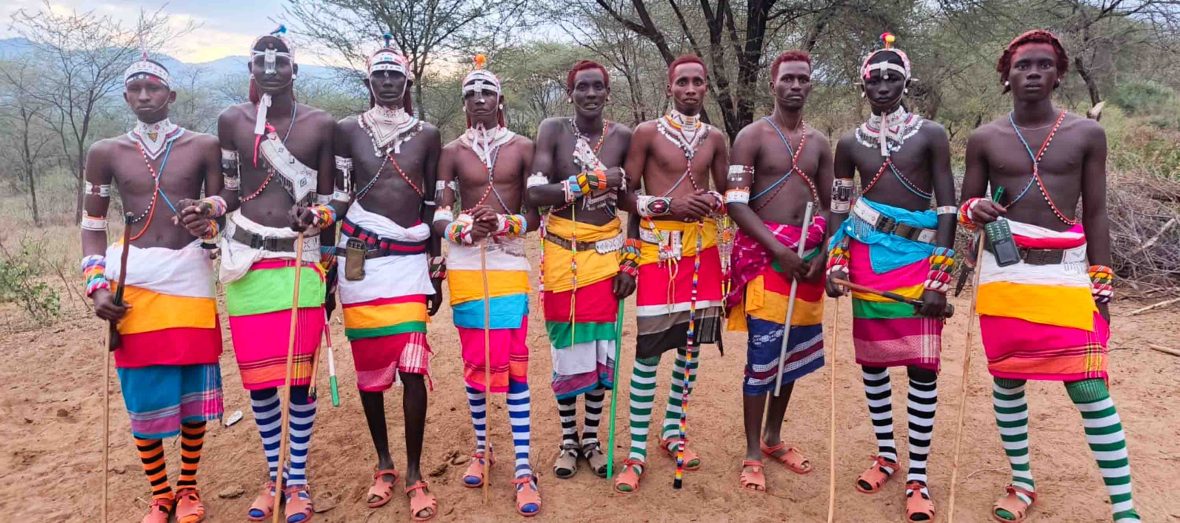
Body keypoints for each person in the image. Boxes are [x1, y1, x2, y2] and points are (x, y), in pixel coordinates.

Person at [959, 29, 1139, 523]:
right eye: (1022, 66)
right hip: (1005, 276)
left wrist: (1102, 284)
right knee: (1009, 381)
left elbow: (1097, 212)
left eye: (1042, 65)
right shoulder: (985, 138)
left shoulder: (1085, 133)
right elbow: (964, 210)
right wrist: (977, 208)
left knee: (1089, 386)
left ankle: (1124, 507)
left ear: (1059, 74)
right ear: (1006, 76)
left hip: (1066, 275)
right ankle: (1022, 484)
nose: (1032, 73)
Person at [184, 26, 336, 523]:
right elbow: (229, 190)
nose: (270, 70)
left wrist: (318, 216)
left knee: (299, 379)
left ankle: (299, 481)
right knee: (260, 382)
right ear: (250, 70)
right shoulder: (232, 120)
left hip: (299, 262)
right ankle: (275, 476)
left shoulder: (321, 124)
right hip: (247, 262)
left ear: (296, 68)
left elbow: (335, 197)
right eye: (260, 62)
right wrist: (209, 206)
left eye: (280, 61)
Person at [81, 52, 224, 523]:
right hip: (134, 281)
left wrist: (206, 212)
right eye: (136, 89)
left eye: (154, 88)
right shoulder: (107, 152)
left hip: (191, 278)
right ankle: (159, 494)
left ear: (171, 95)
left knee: (191, 393)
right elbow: (92, 224)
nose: (145, 96)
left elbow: (225, 200)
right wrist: (97, 285)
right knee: (143, 394)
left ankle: (188, 488)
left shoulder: (203, 145)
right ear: (125, 96)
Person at [826, 33, 956, 522]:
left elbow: (946, 207)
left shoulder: (931, 134)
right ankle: (887, 454)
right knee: (874, 365)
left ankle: (918, 476)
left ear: (906, 82)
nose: (883, 86)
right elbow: (839, 206)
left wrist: (940, 278)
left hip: (920, 264)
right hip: (865, 262)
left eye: (892, 77)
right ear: (863, 86)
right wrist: (836, 264)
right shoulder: (848, 143)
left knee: (922, 368)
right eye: (874, 79)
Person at [331, 38, 442, 520]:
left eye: (396, 76)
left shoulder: (428, 134)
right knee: (370, 367)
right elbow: (337, 197)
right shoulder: (345, 131)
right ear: (368, 82)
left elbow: (434, 205)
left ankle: (416, 471)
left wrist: (436, 269)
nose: (388, 82)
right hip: (356, 253)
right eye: (379, 76)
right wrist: (324, 262)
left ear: (407, 81)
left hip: (409, 261)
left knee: (414, 366)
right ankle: (384, 463)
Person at [432, 55, 542, 516]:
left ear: (500, 100)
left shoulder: (524, 147)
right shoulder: (452, 151)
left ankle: (522, 468)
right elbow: (438, 212)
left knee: (514, 365)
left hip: (509, 263)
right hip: (466, 264)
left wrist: (504, 223)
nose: (480, 99)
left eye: (487, 92)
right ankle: (483, 449)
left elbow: (536, 214)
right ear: (464, 103)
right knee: (476, 361)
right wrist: (461, 230)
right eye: (471, 93)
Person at [613, 54, 727, 494]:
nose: (692, 89)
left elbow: (730, 192)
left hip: (703, 252)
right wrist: (665, 206)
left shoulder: (715, 137)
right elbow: (625, 192)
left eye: (699, 81)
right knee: (648, 353)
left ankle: (673, 432)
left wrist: (711, 202)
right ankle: (637, 451)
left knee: (691, 349)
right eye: (683, 82)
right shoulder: (646, 133)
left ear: (705, 88)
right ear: (670, 87)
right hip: (659, 253)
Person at [724, 49, 833, 492]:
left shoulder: (822, 144)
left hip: (807, 261)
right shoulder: (751, 136)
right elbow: (735, 201)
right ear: (773, 83)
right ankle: (752, 450)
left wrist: (821, 256)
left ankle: (772, 437)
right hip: (765, 258)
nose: (795, 85)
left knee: (790, 356)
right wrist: (779, 252)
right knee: (763, 356)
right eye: (787, 78)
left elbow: (833, 205)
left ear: (810, 85)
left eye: (802, 79)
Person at [526, 60, 635, 479]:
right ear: (570, 93)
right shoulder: (552, 130)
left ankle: (592, 438)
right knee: (567, 352)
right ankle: (568, 440)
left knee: (600, 351)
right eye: (582, 87)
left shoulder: (623, 136)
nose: (590, 94)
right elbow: (536, 193)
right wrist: (588, 183)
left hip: (607, 259)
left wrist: (631, 259)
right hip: (561, 258)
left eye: (598, 87)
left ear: (608, 93)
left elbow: (633, 204)